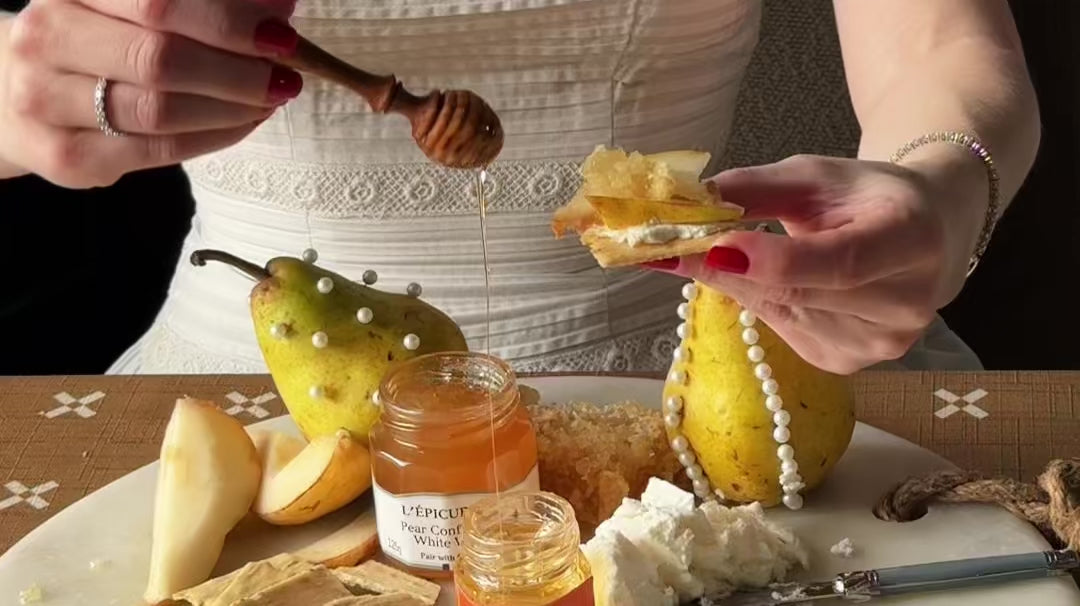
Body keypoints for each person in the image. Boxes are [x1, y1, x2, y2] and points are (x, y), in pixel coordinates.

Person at [0, 1, 1039, 375]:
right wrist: (15, 95)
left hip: (713, 387)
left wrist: (943, 190)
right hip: (243, 402)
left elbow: (941, 46)